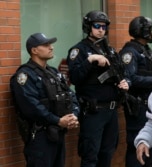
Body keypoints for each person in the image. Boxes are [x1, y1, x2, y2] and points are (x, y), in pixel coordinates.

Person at [66, 10, 129, 167]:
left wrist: (124, 83)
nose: (101, 30)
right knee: (90, 155)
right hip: (93, 111)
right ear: (88, 27)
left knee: (107, 153)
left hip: (111, 110)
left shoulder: (110, 50)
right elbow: (74, 77)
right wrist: (90, 60)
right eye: (97, 26)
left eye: (104, 27)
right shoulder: (79, 50)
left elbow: (121, 73)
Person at [10, 32, 80, 167]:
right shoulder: (25, 76)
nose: (51, 47)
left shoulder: (53, 72)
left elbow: (70, 95)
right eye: (46, 45)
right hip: (40, 136)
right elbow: (32, 107)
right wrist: (58, 120)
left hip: (58, 133)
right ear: (34, 50)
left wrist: (73, 116)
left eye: (51, 44)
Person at [119, 16, 152, 167]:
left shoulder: (147, 51)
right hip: (138, 108)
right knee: (136, 146)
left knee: (149, 148)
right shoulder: (130, 53)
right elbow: (130, 78)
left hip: (150, 106)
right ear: (143, 32)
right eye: (150, 30)